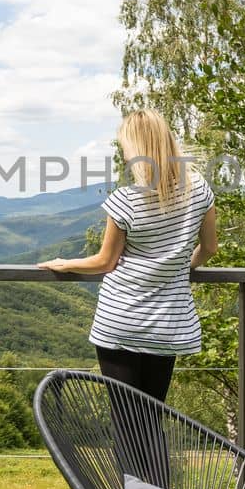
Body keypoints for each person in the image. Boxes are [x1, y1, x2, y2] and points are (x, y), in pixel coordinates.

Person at [39, 108, 218, 404]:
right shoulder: (199, 190)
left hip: (120, 323)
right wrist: (176, 267)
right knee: (150, 418)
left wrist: (65, 263)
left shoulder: (126, 200)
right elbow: (210, 248)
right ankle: (156, 454)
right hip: (167, 326)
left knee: (126, 422)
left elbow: (104, 262)